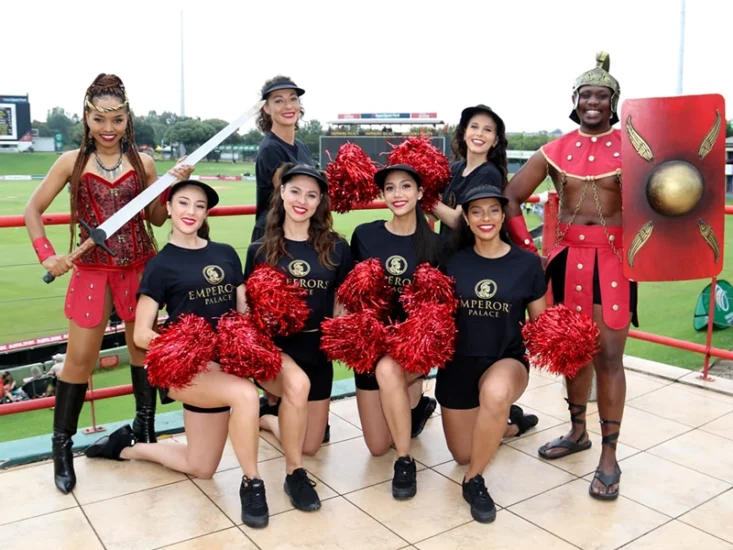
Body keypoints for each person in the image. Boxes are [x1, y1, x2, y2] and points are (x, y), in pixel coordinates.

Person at [23, 73, 194, 494]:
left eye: (116, 119)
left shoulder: (143, 163)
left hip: (140, 270)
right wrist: (48, 255)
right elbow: (32, 210)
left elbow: (156, 219)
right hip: (91, 273)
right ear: (86, 118)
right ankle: (62, 448)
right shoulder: (70, 162)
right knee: (79, 361)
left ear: (127, 118)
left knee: (142, 353)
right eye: (99, 119)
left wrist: (170, 184)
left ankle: (146, 431)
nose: (108, 128)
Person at [84, 179, 269, 528]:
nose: (191, 211)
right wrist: (188, 352)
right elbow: (141, 334)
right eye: (183, 203)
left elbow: (243, 311)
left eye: (200, 206)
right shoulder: (160, 264)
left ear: (206, 213)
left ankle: (124, 447)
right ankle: (252, 483)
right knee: (246, 395)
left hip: (224, 369)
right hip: (189, 372)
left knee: (201, 467)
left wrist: (250, 339)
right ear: (168, 208)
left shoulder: (225, 253)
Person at [503, 52, 635, 500]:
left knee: (609, 359)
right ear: (575, 101)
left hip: (615, 262)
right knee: (573, 353)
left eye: (601, 95)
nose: (592, 102)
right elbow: (511, 196)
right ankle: (578, 432)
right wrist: (529, 252)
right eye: (585, 95)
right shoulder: (555, 151)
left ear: (613, 102)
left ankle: (610, 455)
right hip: (566, 263)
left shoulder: (634, 148)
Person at [244, 163, 353, 512]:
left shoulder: (337, 247)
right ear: (282, 193)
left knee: (310, 445)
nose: (301, 201)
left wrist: (342, 328)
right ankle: (294, 474)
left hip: (317, 351)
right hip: (277, 351)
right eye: (295, 191)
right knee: (297, 387)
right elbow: (248, 308)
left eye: (311, 195)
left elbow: (342, 300)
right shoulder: (259, 249)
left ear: (320, 201)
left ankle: (268, 419)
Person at [437, 181, 547, 523]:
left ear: (502, 216)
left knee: (496, 394)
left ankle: (474, 481)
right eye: (476, 211)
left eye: (493, 210)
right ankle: (509, 424)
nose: (485, 218)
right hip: (458, 365)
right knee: (462, 454)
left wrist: (565, 340)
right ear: (467, 219)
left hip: (506, 360)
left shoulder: (527, 264)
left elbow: (541, 323)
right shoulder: (451, 261)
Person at [349, 164, 441, 499]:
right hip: (371, 347)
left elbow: (441, 310)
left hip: (413, 347)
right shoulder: (365, 235)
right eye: (390, 188)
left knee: (390, 371)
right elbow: (350, 293)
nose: (397, 194)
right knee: (377, 446)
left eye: (406, 186)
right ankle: (416, 407)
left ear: (420, 193)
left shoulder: (436, 244)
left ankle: (404, 460)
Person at [430, 104, 509, 240]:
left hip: (470, 252)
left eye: (487, 130)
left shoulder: (488, 173)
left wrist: (426, 199)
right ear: (464, 132)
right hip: (448, 250)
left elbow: (458, 221)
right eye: (474, 127)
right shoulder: (456, 168)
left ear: (495, 141)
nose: (479, 133)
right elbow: (433, 216)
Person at [252, 75, 312, 243]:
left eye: (293, 99)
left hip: (298, 232)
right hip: (274, 236)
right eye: (279, 101)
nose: (288, 106)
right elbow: (293, 193)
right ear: (266, 108)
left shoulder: (301, 146)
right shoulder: (270, 148)